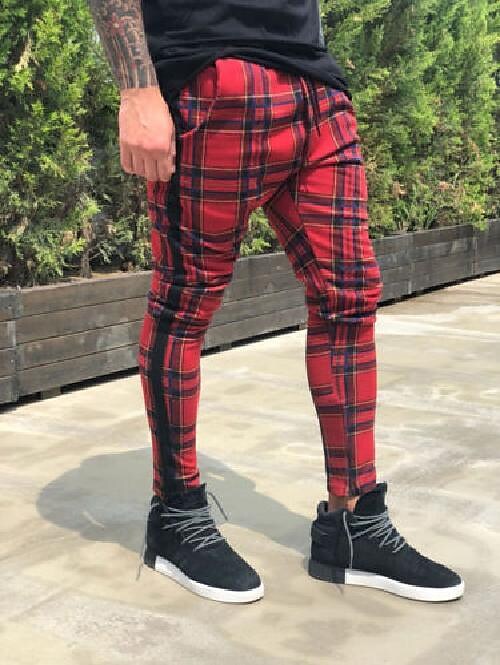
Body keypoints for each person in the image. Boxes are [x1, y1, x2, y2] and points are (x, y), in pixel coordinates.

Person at [87, 0, 464, 604]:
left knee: (350, 296)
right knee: (185, 302)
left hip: (315, 82)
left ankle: (353, 523)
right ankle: (177, 514)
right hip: (209, 80)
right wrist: (137, 90)